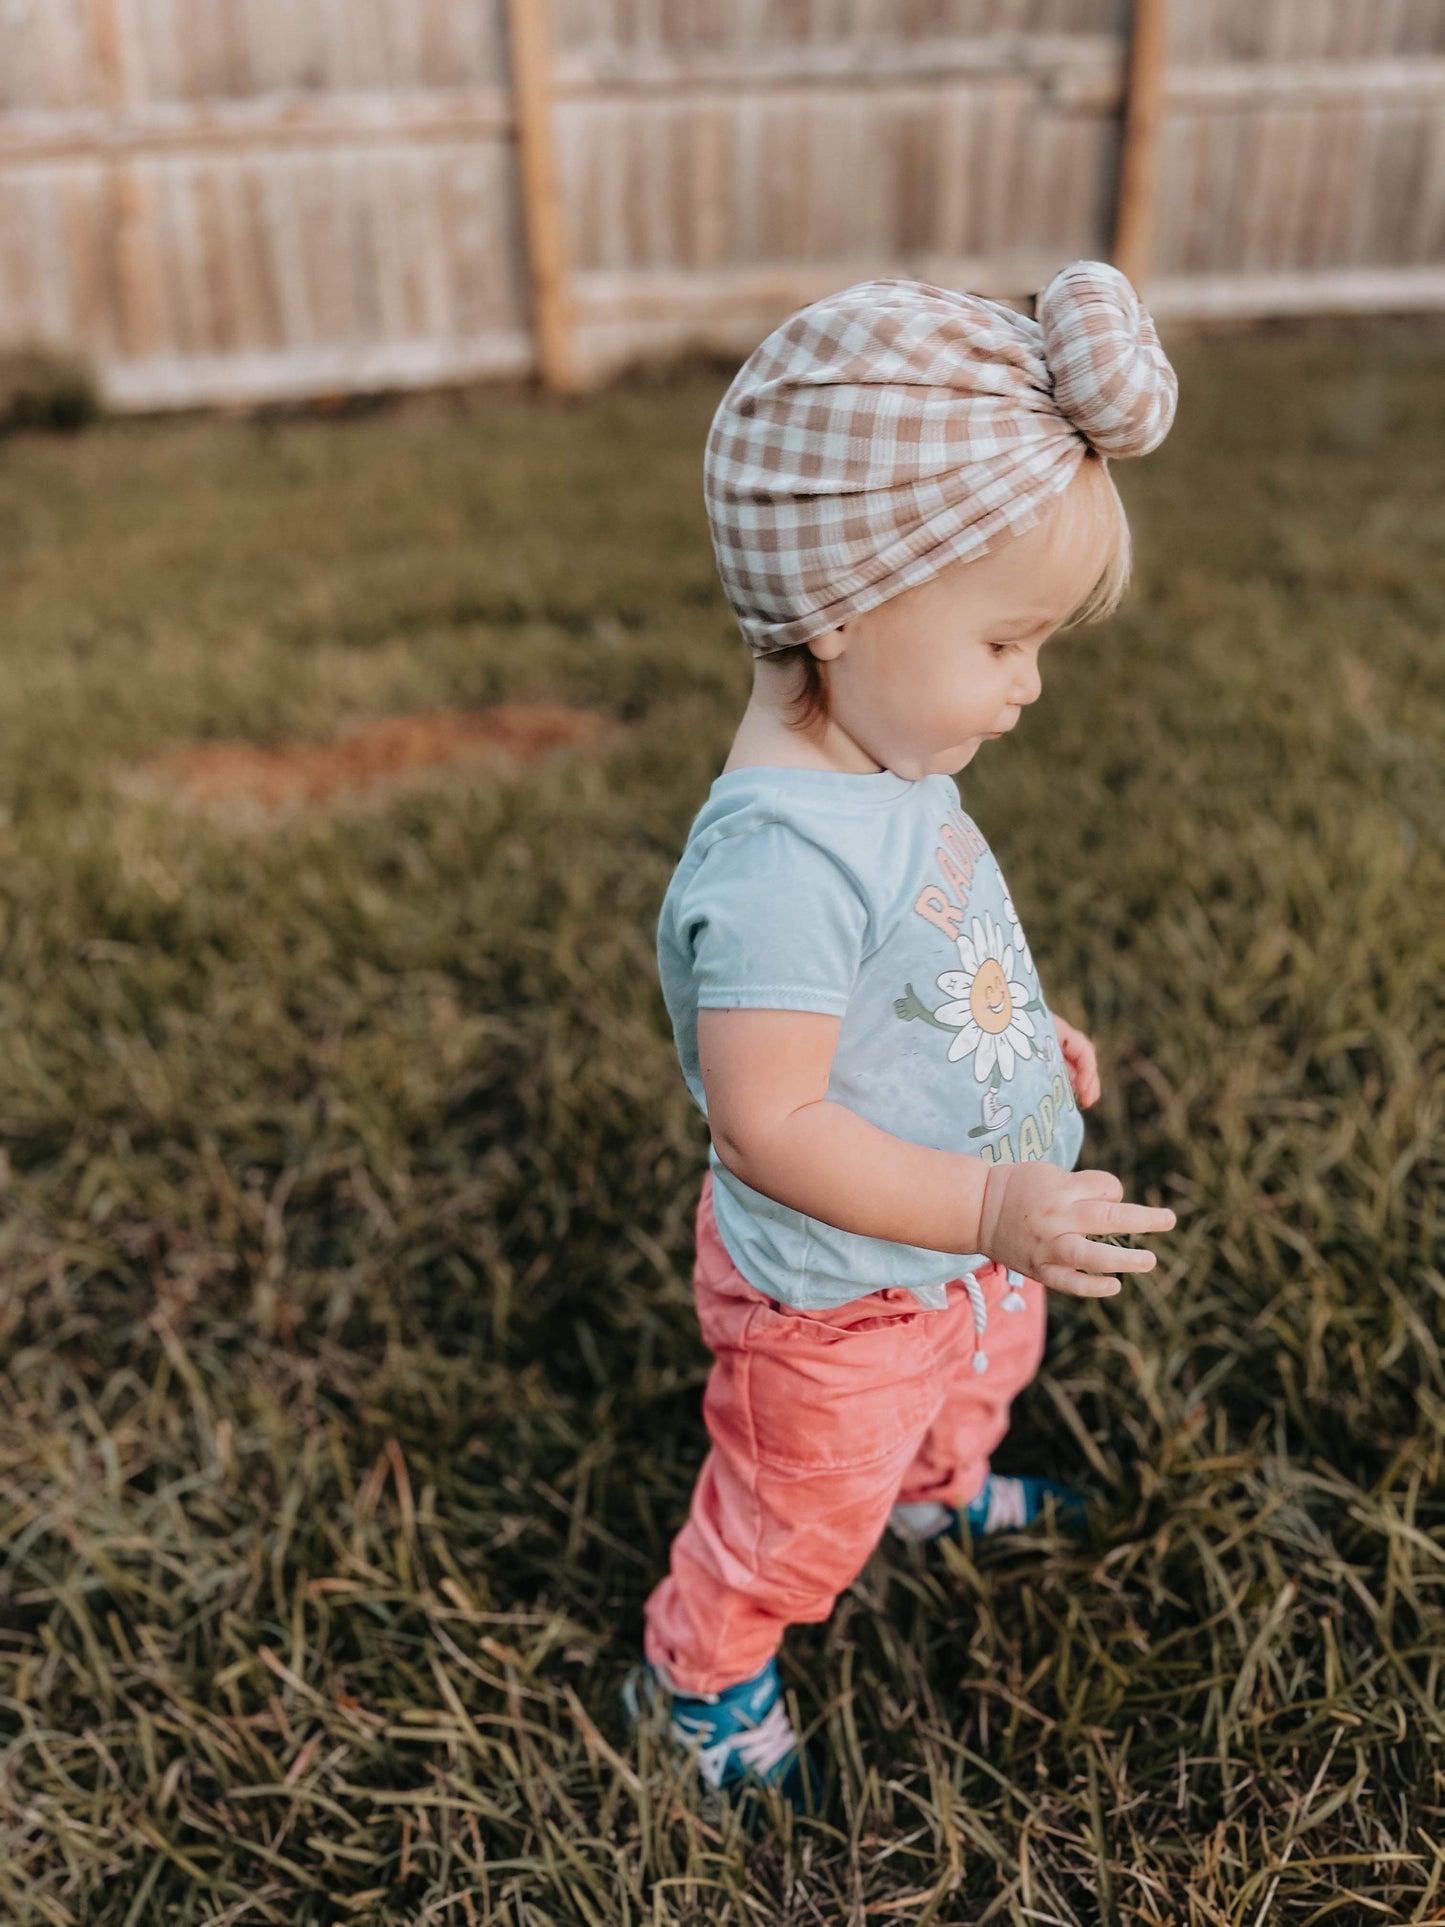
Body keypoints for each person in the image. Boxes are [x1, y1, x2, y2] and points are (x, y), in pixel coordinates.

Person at [621, 263, 1181, 1815]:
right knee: (797, 1510)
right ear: (849, 606)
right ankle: (698, 1666)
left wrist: (1014, 1038)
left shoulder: (887, 771)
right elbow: (773, 1125)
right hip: (837, 1307)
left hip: (952, 1264)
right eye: (1006, 642)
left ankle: (937, 1493)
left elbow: (933, 953)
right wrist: (996, 1205)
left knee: (967, 1392)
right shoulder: (779, 861)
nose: (1031, 686)